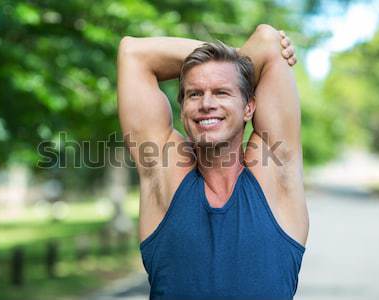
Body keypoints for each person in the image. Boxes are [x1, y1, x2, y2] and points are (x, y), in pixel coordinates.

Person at [117, 24, 309, 300]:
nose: (206, 103)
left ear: (248, 107)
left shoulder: (275, 177)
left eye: (221, 92)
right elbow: (133, 53)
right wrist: (234, 60)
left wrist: (232, 63)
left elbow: (267, 41)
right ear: (183, 110)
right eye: (194, 94)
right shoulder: (165, 177)